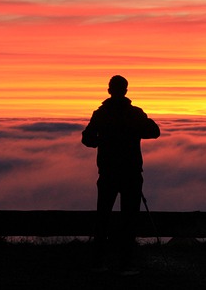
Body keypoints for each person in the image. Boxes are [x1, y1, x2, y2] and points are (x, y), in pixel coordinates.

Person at [81, 75, 160, 274]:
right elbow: (154, 131)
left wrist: (101, 142)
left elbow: (87, 138)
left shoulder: (100, 114)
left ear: (109, 90)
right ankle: (126, 264)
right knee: (129, 219)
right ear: (126, 90)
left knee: (103, 217)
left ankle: (98, 262)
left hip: (108, 171)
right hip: (131, 172)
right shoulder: (135, 114)